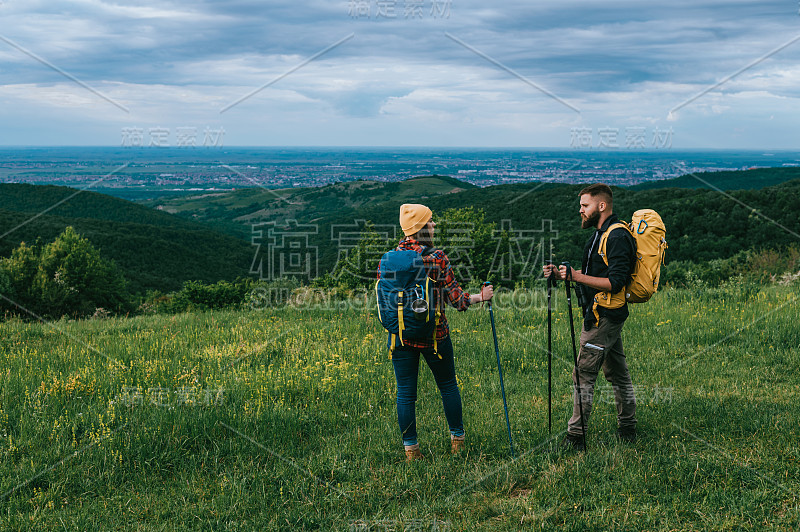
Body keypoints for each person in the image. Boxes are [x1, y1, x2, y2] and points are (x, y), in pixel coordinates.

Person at [378, 203, 493, 461]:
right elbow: (458, 300)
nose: (434, 225)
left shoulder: (387, 259)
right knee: (448, 386)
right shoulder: (437, 258)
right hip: (435, 336)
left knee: (406, 393)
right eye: (430, 221)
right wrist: (481, 296)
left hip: (401, 337)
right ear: (420, 228)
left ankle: (411, 450)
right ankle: (458, 442)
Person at [543, 184, 638, 450]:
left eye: (585, 206)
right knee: (618, 373)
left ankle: (576, 437)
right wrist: (563, 274)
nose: (581, 211)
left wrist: (576, 276)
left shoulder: (617, 236)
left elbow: (616, 282)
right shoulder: (599, 235)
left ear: (602, 206)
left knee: (583, 374)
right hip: (604, 314)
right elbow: (593, 275)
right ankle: (628, 428)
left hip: (604, 317)